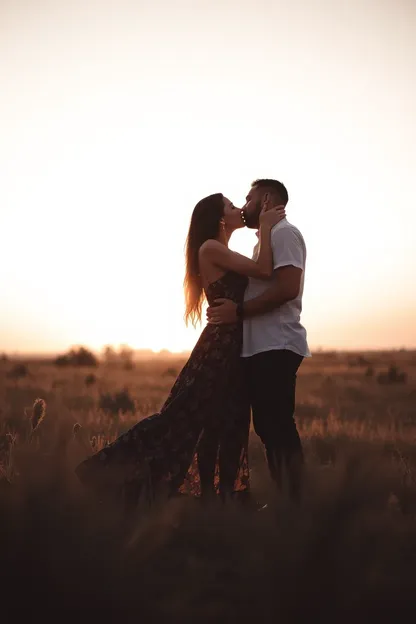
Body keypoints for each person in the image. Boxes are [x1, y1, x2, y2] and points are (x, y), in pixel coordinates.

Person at [75, 193, 286, 510]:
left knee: (227, 423)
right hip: (218, 351)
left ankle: (228, 502)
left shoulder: (223, 250)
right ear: (219, 219)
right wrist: (267, 227)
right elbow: (265, 269)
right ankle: (104, 474)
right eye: (230, 206)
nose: (237, 209)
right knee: (178, 420)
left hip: (232, 349)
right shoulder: (211, 248)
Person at [207, 179, 310, 502]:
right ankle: (289, 502)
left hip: (276, 344)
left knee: (276, 425)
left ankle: (296, 503)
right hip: (261, 347)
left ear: (265, 200)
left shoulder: (284, 234)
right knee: (268, 427)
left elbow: (287, 288)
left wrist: (239, 311)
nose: (244, 204)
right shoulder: (266, 239)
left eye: (248, 198)